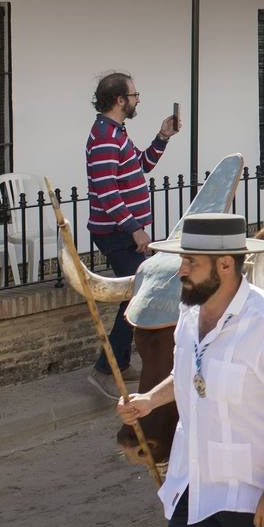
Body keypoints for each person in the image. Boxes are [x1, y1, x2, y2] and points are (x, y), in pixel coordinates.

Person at [116, 214, 264, 527]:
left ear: (225, 264)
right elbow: (189, 374)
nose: (181, 270)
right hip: (194, 486)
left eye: (190, 262)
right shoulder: (189, 314)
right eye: (182, 260)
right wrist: (150, 401)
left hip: (256, 493)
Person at [85, 71, 179, 398]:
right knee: (139, 295)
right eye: (134, 95)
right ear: (119, 100)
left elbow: (141, 165)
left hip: (125, 232)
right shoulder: (105, 136)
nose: (138, 100)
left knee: (137, 293)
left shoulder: (116, 131)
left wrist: (162, 137)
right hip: (117, 234)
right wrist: (134, 228)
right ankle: (105, 369)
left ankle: (119, 363)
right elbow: (106, 192)